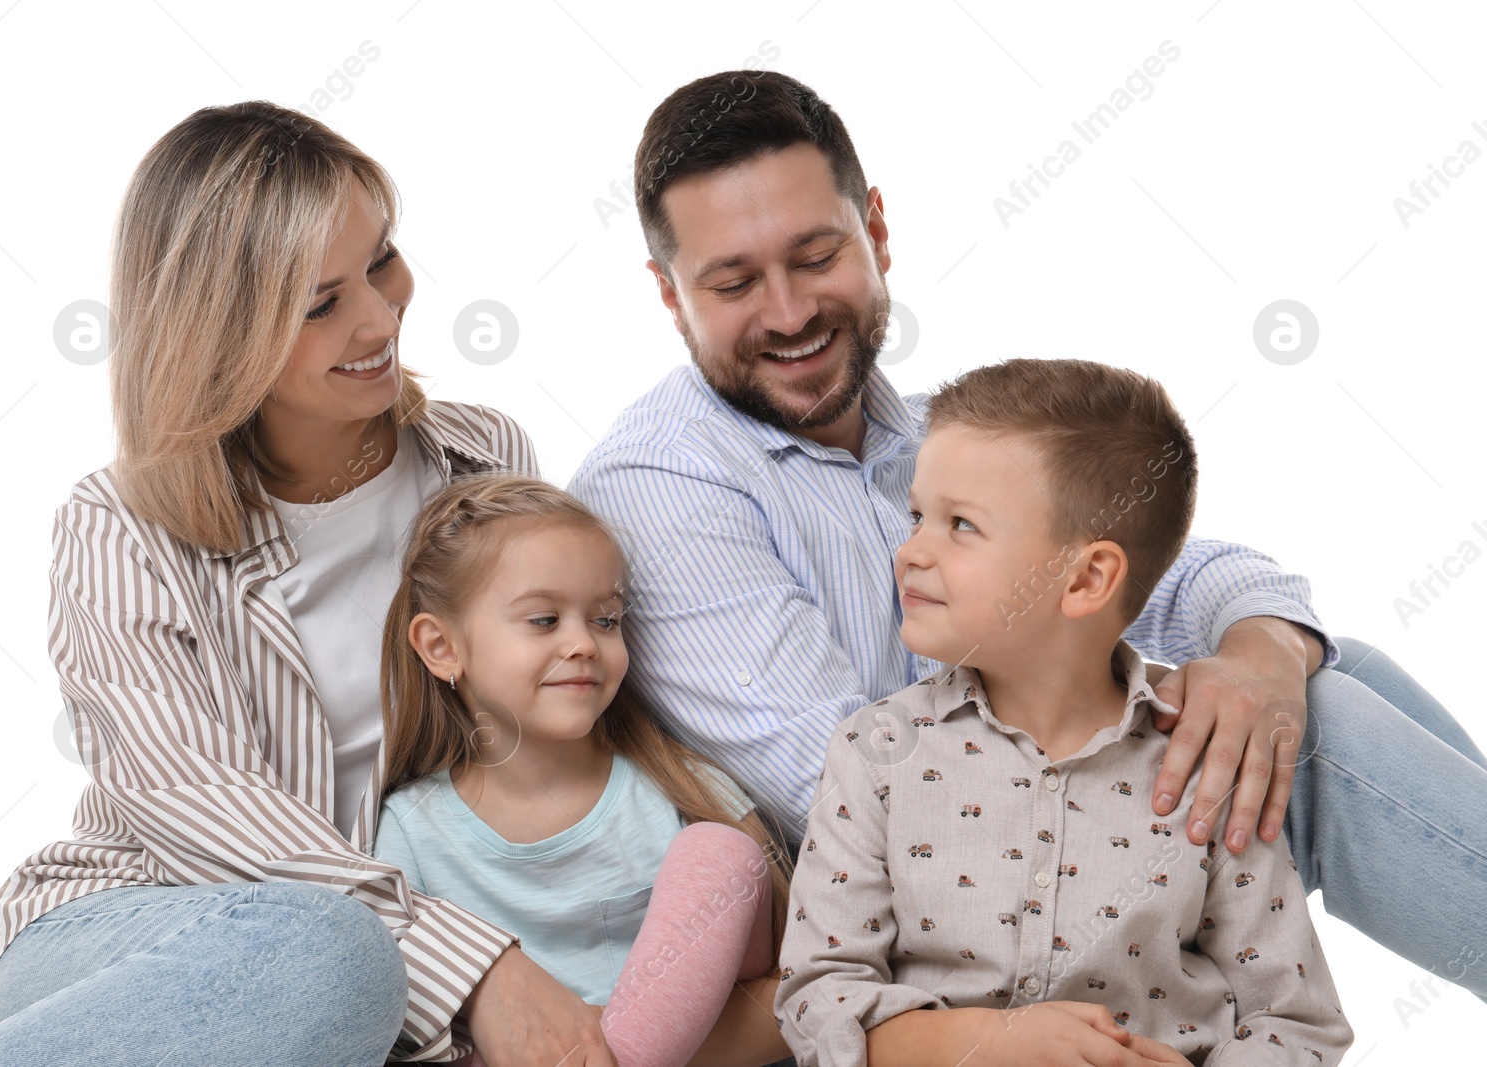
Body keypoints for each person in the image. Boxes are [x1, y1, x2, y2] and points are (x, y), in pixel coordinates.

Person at [566, 69, 1487, 997]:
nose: (791, 312)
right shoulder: (661, 488)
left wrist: (1261, 654)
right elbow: (852, 806)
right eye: (733, 282)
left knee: (1324, 670)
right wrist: (1194, 724)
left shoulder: (932, 435)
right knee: (1310, 736)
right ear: (669, 293)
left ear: (876, 230)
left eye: (815, 256)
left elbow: (1175, 566)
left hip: (1028, 846)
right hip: (929, 923)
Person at [0, 102, 615, 1067]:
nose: (382, 317)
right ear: (221, 331)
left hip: (380, 981)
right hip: (141, 929)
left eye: (381, 260)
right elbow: (199, 803)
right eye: (319, 303)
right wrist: (473, 967)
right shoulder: (116, 525)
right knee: (328, 951)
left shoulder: (483, 461)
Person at [774, 358, 1353, 1066]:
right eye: (917, 514)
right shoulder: (876, 750)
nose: (911, 550)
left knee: (1346, 689)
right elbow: (816, 996)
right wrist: (986, 1043)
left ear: (1085, 577)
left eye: (960, 525)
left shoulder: (1205, 757)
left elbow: (1298, 1020)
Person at [371, 474, 793, 1067]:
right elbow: (414, 1022)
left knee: (721, 853)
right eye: (544, 620)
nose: (584, 644)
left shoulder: (681, 786)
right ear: (442, 648)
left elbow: (791, 991)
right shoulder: (412, 827)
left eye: (606, 620)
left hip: (708, 1046)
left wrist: (620, 1047)